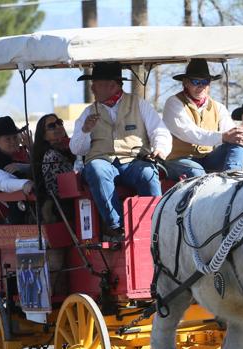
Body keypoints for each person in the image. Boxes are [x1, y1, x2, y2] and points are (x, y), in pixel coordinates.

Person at [70, 62, 171, 240]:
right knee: (96, 170)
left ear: (112, 85)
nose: (92, 88)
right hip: (102, 161)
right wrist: (85, 130)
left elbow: (159, 130)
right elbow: (77, 148)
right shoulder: (88, 112)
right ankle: (117, 227)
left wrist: (160, 149)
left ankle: (158, 225)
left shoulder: (139, 104)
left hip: (133, 161)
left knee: (148, 173)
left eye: (96, 83)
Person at [162, 59, 243, 180]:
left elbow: (230, 133)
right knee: (196, 173)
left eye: (205, 82)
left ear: (209, 84)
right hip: (178, 160)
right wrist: (224, 137)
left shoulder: (218, 107)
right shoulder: (174, 103)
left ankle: (231, 182)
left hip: (208, 159)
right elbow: (189, 133)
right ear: (185, 83)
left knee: (239, 142)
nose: (201, 86)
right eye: (196, 81)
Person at [0, 116, 34, 224]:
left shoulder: (22, 157)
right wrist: (25, 184)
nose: (13, 141)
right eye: (8, 139)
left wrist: (32, 149)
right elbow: (4, 182)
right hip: (23, 221)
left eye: (15, 137)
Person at [30, 114, 76, 223]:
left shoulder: (71, 148)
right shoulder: (50, 155)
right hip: (63, 207)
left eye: (59, 122)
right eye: (51, 126)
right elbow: (54, 190)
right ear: (44, 136)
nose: (58, 126)